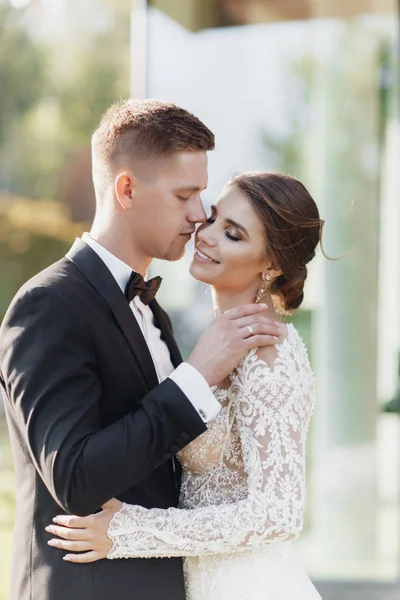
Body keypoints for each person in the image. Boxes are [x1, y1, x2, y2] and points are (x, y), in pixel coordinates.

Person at [0, 101, 281, 600]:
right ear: (126, 189)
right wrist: (196, 377)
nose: (199, 215)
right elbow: (75, 476)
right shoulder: (48, 305)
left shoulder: (154, 311)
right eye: (184, 195)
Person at [46, 171, 324, 600]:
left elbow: (278, 515)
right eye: (212, 219)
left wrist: (130, 530)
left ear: (272, 265)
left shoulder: (270, 354)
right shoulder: (213, 340)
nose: (206, 235)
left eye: (232, 234)